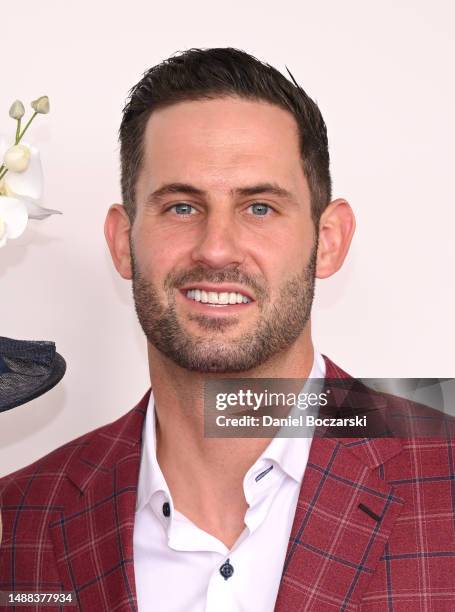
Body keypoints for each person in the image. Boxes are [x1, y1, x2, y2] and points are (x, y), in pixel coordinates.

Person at [0, 47, 454, 612]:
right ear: (122, 241)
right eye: (182, 208)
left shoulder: (444, 477)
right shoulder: (19, 518)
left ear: (329, 240)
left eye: (260, 207)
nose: (216, 248)